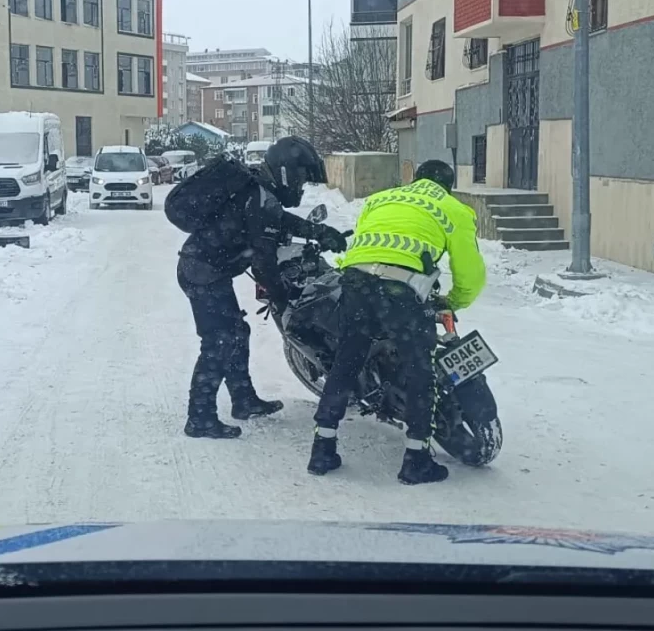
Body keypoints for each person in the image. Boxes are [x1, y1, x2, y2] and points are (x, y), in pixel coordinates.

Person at [307, 160, 486, 485]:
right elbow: (471, 273)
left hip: (356, 283)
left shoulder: (380, 198)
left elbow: (366, 244)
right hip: (402, 291)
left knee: (346, 362)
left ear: (415, 180)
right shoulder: (453, 209)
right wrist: (453, 301)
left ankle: (322, 448)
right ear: (447, 186)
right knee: (420, 370)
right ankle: (416, 460)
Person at [175, 137, 349, 439]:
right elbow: (263, 263)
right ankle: (199, 417)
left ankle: (244, 400)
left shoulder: (259, 192)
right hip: (202, 273)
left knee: (237, 333)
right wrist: (280, 299)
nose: (301, 185)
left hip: (206, 270)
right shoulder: (260, 195)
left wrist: (319, 231)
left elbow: (279, 220)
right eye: (300, 177)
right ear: (286, 172)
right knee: (219, 341)